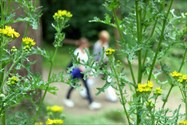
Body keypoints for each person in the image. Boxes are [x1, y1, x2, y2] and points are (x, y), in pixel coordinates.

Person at [80, 31, 118, 102]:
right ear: (102, 38)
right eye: (105, 38)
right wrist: (99, 66)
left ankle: (112, 97)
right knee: (93, 80)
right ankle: (84, 92)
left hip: (105, 65)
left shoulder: (106, 44)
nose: (107, 40)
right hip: (98, 65)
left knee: (109, 81)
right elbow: (96, 57)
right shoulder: (97, 45)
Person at [64, 38, 101, 110]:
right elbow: (78, 64)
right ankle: (67, 98)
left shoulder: (86, 51)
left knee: (86, 86)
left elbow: (87, 63)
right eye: (84, 44)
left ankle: (91, 103)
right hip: (77, 71)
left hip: (84, 72)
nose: (86, 45)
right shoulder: (77, 51)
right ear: (81, 44)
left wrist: (89, 72)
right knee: (73, 85)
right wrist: (87, 73)